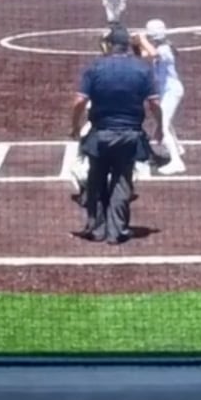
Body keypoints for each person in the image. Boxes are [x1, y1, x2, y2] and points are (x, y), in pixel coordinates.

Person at [68, 25, 164, 244]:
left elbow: (79, 102)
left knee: (96, 180)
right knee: (122, 182)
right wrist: (159, 126)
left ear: (110, 45)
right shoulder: (142, 69)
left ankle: (96, 229)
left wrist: (75, 127)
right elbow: (155, 103)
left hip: (100, 134)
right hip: (130, 135)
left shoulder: (95, 67)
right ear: (128, 45)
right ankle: (117, 231)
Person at [143, 19, 187, 173]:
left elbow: (152, 53)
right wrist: (136, 43)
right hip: (167, 91)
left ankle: (177, 162)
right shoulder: (162, 47)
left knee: (163, 125)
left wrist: (141, 39)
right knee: (166, 122)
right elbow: (143, 54)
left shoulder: (163, 50)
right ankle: (178, 147)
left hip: (172, 91)